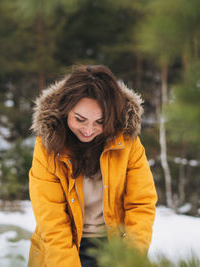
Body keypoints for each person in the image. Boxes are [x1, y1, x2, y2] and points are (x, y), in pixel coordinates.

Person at [28, 65, 157, 267]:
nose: (89, 130)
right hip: (60, 251)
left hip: (114, 249)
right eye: (80, 119)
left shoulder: (128, 143)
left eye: (100, 121)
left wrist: (129, 259)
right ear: (64, 110)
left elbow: (140, 205)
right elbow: (52, 221)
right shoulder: (47, 147)